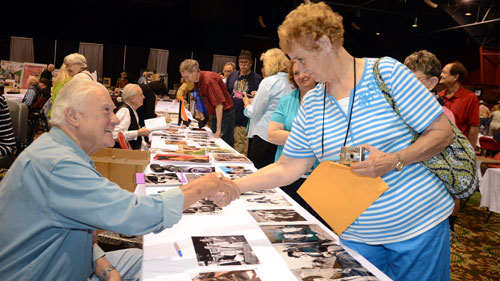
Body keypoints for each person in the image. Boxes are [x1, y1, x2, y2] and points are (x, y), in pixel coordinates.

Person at [230, 3, 454, 281]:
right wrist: (232, 186)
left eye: (301, 58)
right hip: (355, 232)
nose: (300, 69)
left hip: (417, 227)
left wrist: (394, 160)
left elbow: (442, 133)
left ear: (325, 43)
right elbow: (287, 167)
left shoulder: (386, 74)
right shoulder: (312, 102)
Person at [0, 79, 240, 281]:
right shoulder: (59, 166)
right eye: (107, 111)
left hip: (66, 260)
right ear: (73, 116)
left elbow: (68, 223)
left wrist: (101, 263)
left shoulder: (60, 152)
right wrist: (202, 186)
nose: (115, 120)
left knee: (149, 259)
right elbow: (134, 215)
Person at [404, 49, 461, 240]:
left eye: (414, 80)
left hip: (428, 205)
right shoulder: (396, 111)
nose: (404, 86)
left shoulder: (444, 118)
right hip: (399, 202)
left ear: (432, 83)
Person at [267, 60, 317, 209]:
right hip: (288, 174)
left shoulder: (329, 100)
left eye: (305, 70)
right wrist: (308, 138)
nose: (302, 76)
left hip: (318, 177)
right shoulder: (286, 101)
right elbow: (272, 134)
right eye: (296, 73)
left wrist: (289, 136)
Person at [243, 48, 292, 168]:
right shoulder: (292, 83)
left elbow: (255, 112)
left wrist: (247, 105)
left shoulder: (269, 81)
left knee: (258, 173)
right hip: (282, 136)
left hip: (264, 135)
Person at [180, 59, 235, 146]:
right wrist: (203, 118)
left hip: (224, 115)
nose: (186, 80)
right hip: (215, 116)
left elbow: (219, 105)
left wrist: (218, 129)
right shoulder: (197, 81)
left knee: (222, 145)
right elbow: (201, 99)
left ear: (194, 71)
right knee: (213, 144)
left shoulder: (208, 80)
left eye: (187, 76)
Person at [226, 50, 263, 154]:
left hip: (244, 121)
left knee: (240, 150)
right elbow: (226, 93)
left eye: (245, 62)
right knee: (227, 148)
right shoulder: (232, 76)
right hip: (229, 118)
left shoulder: (257, 79)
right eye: (241, 62)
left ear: (251, 63)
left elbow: (260, 100)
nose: (242, 64)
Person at [439, 61, 480, 149]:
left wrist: (470, 152)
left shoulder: (470, 98)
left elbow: (474, 127)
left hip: (459, 147)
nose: (441, 75)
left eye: (444, 72)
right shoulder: (439, 96)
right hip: (439, 146)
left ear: (455, 76)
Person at [112, 84, 152, 150]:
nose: (144, 97)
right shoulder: (125, 111)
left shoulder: (131, 109)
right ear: (132, 98)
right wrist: (138, 133)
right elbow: (115, 135)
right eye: (141, 95)